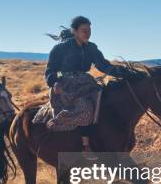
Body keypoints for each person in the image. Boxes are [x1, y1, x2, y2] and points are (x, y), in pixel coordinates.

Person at [45, 15, 130, 154]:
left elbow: (103, 65)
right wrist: (55, 83)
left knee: (105, 100)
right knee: (87, 107)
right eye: (84, 30)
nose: (88, 34)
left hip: (86, 83)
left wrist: (124, 72)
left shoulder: (91, 48)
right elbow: (50, 70)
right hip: (66, 86)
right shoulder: (60, 48)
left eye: (89, 30)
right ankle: (81, 141)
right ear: (74, 31)